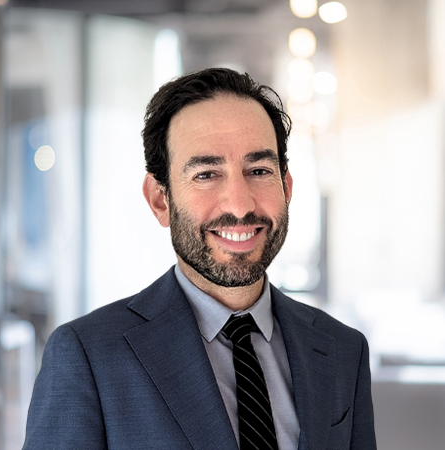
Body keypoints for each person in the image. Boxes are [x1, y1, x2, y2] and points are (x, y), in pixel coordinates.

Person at [23, 68, 376, 450]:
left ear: (286, 187)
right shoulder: (88, 356)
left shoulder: (343, 350)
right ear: (160, 200)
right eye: (207, 174)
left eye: (259, 171)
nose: (239, 205)